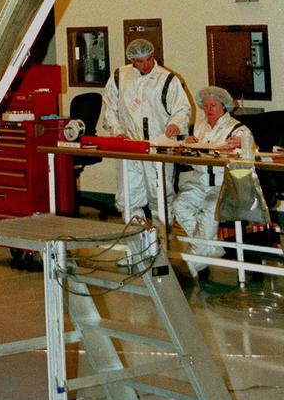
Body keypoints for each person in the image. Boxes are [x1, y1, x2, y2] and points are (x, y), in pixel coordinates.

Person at [100, 39, 192, 221]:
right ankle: (137, 241)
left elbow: (182, 108)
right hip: (129, 146)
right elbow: (110, 107)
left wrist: (175, 123)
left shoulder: (167, 79)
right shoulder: (120, 76)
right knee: (128, 196)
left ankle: (161, 240)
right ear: (132, 60)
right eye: (140, 61)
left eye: (149, 59)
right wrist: (117, 130)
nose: (146, 64)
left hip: (158, 146)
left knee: (159, 195)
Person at [172, 85, 256, 281]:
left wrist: (241, 145)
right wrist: (188, 146)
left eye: (213, 105)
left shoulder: (237, 128)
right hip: (200, 183)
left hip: (223, 184)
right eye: (205, 105)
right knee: (179, 205)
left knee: (210, 210)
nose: (208, 110)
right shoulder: (199, 127)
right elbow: (187, 161)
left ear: (224, 106)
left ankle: (193, 263)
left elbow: (252, 152)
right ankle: (212, 249)